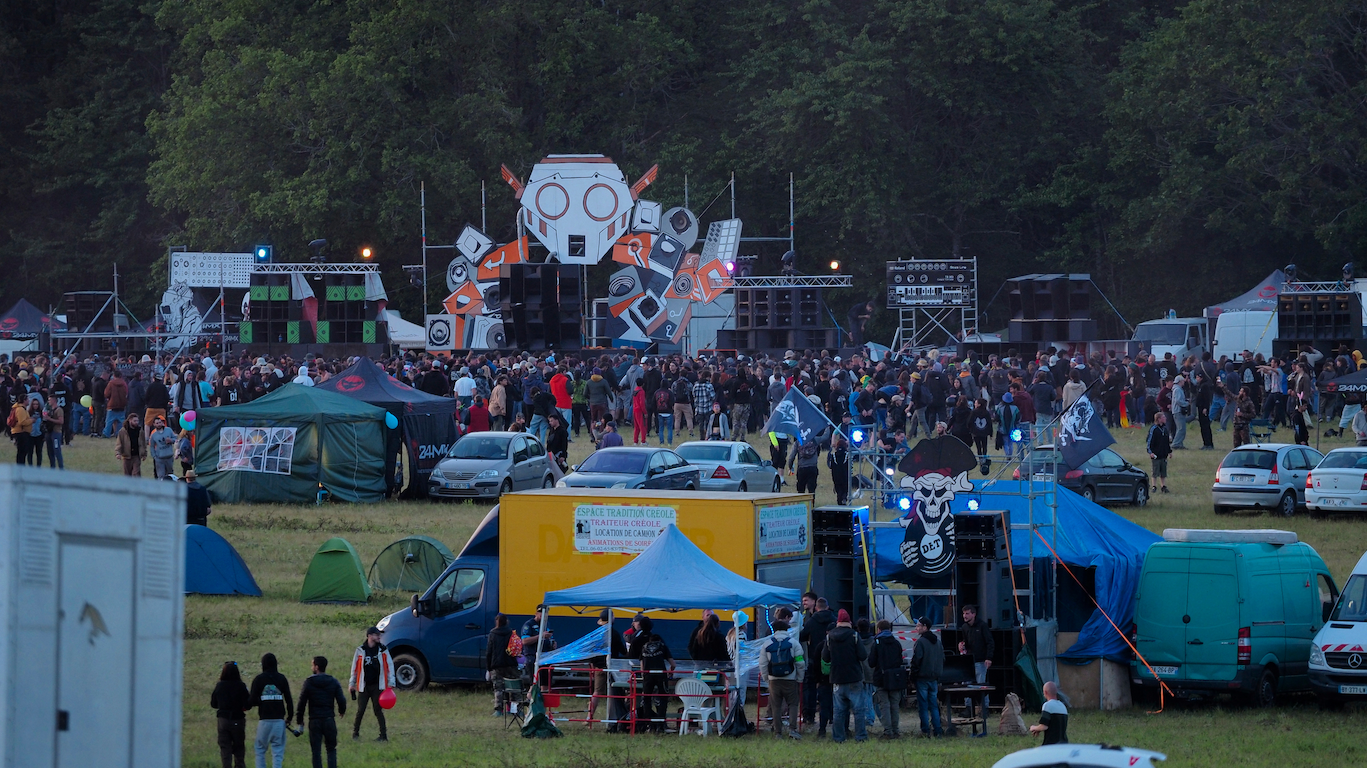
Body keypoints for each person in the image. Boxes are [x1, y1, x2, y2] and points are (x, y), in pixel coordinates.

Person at [822, 609, 868, 743]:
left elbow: (825, 657)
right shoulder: (854, 635)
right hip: (854, 676)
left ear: (837, 622)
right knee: (858, 710)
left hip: (837, 677)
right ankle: (860, 737)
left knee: (838, 711)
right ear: (849, 622)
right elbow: (863, 655)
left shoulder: (830, 636)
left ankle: (838, 737)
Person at [760, 617, 805, 739]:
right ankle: (792, 730)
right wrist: (799, 678)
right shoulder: (794, 643)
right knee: (793, 704)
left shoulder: (767, 644)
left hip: (773, 680)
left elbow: (763, 664)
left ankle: (778, 733)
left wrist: (767, 679)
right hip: (790, 678)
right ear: (787, 629)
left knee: (776, 706)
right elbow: (800, 662)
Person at [627, 615, 674, 733]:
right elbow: (672, 662)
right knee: (662, 699)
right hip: (661, 674)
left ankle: (648, 723)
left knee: (646, 699)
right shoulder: (660, 643)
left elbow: (632, 659)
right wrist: (670, 672)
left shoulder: (638, 642)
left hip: (646, 675)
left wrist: (642, 675)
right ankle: (661, 723)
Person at [297, 656, 346, 768]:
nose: (311, 667)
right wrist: (341, 710)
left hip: (314, 720)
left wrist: (300, 719)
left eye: (312, 665)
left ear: (317, 667)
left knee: (316, 751)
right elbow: (341, 699)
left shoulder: (309, 682)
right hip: (329, 718)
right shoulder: (333, 681)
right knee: (331, 749)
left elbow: (302, 702)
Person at [348, 626, 395, 742]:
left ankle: (383, 736)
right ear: (369, 636)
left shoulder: (383, 650)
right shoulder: (360, 650)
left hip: (378, 686)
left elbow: (390, 666)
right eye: (376, 634)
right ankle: (355, 734)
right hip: (363, 686)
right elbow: (355, 668)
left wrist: (391, 682)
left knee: (378, 710)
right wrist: (352, 683)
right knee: (360, 710)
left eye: (379, 634)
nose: (379, 636)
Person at [249, 653, 294, 768]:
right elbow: (288, 700)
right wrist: (289, 717)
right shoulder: (281, 678)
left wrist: (262, 701)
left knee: (260, 749)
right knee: (278, 751)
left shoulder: (258, 679)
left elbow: (252, 701)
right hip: (279, 720)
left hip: (264, 720)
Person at [799, 594, 836, 735]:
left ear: (816, 607)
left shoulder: (811, 621)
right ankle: (831, 715)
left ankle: (809, 716)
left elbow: (802, 636)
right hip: (831, 658)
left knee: (810, 688)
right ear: (827, 607)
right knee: (831, 688)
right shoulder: (833, 619)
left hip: (814, 657)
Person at [586, 609, 629, 729]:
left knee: (597, 692)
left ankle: (589, 717)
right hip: (612, 667)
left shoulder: (596, 634)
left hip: (599, 667)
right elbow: (622, 651)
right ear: (611, 619)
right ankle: (612, 718)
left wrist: (593, 664)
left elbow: (592, 651)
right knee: (613, 692)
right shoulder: (614, 634)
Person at [868, 619, 906, 739]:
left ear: (878, 629)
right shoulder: (896, 643)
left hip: (881, 678)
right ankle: (896, 730)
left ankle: (888, 731)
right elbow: (900, 660)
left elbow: (871, 662)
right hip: (895, 678)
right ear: (890, 629)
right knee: (894, 705)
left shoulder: (877, 643)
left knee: (884, 705)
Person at [211, 661, 252, 768]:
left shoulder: (219, 686)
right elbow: (248, 705)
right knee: (239, 747)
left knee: (225, 748)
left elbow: (213, 704)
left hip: (223, 720)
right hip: (238, 719)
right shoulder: (241, 686)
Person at [910, 617, 944, 738]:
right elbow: (942, 659)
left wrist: (912, 676)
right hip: (934, 678)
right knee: (933, 705)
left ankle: (925, 730)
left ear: (925, 627)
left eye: (918, 625)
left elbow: (916, 660)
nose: (916, 628)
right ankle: (938, 729)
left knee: (923, 706)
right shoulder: (938, 642)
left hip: (922, 678)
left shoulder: (921, 642)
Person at [486, 614, 521, 717]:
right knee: (514, 688)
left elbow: (489, 652)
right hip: (511, 664)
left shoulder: (492, 634)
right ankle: (515, 710)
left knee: (498, 688)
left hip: (497, 665)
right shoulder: (511, 633)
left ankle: (499, 710)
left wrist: (488, 668)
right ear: (507, 621)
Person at [958, 604, 994, 691]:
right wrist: (961, 645)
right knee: (966, 685)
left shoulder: (982, 626)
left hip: (981, 660)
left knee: (981, 685)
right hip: (969, 660)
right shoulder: (964, 627)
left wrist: (989, 658)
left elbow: (990, 642)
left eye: (967, 613)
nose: (964, 616)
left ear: (973, 614)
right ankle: (967, 700)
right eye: (964, 613)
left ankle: (983, 700)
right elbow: (965, 641)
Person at [1030, 681, 1069, 745]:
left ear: (1045, 692)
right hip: (1064, 744)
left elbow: (1044, 726)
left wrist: (1034, 728)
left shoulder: (1047, 705)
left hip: (1051, 745)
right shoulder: (1063, 706)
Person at [1147, 411, 1172, 494]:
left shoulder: (1165, 429)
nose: (1165, 418)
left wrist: (1169, 451)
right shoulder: (1154, 429)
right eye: (1163, 417)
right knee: (1155, 471)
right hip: (1156, 454)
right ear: (1159, 419)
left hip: (1163, 454)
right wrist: (1150, 452)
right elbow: (1149, 442)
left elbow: (1167, 442)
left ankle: (1163, 486)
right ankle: (1154, 486)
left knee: (1163, 471)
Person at [115, 412, 146, 476]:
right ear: (130, 420)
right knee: (127, 475)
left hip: (136, 455)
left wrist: (144, 454)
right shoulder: (123, 431)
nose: (136, 422)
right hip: (127, 456)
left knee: (136, 473)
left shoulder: (140, 430)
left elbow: (143, 443)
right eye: (135, 421)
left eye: (137, 421)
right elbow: (119, 443)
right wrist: (118, 453)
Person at [149, 414, 177, 479]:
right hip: (160, 458)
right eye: (157, 423)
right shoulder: (153, 435)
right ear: (154, 424)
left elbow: (175, 439)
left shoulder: (168, 430)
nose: (159, 424)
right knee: (161, 476)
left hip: (169, 457)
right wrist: (154, 456)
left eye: (160, 422)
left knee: (170, 475)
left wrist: (171, 440)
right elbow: (152, 446)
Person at [8, 394, 34, 464]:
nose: (29, 401)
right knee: (22, 452)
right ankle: (20, 467)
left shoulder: (23, 409)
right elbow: (22, 422)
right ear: (24, 400)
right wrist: (31, 420)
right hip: (21, 432)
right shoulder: (20, 409)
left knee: (23, 451)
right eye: (27, 399)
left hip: (22, 432)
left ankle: (21, 466)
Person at [42, 393, 64, 468]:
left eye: (50, 400)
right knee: (50, 452)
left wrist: (49, 419)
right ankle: (52, 467)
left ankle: (61, 468)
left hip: (56, 432)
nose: (48, 402)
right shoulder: (49, 409)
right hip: (49, 431)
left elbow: (61, 421)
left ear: (54, 400)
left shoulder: (59, 410)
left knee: (57, 451)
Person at [828, 434, 850, 505]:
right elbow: (850, 467)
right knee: (845, 489)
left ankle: (839, 501)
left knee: (838, 489)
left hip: (836, 476)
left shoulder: (833, 455)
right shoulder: (848, 455)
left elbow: (830, 466)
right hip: (845, 475)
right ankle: (844, 498)